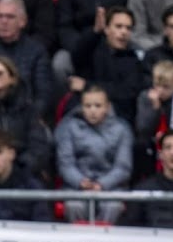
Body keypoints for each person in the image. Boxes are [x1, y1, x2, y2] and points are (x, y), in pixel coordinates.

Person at [55, 85, 133, 224]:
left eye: (98, 106)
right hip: (76, 187)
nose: (92, 110)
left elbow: (123, 167)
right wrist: (80, 182)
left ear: (107, 107)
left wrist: (102, 184)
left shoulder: (122, 129)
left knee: (113, 206)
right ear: (82, 107)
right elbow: (65, 163)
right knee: (74, 205)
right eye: (88, 106)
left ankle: (106, 237)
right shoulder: (69, 127)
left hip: (111, 187)